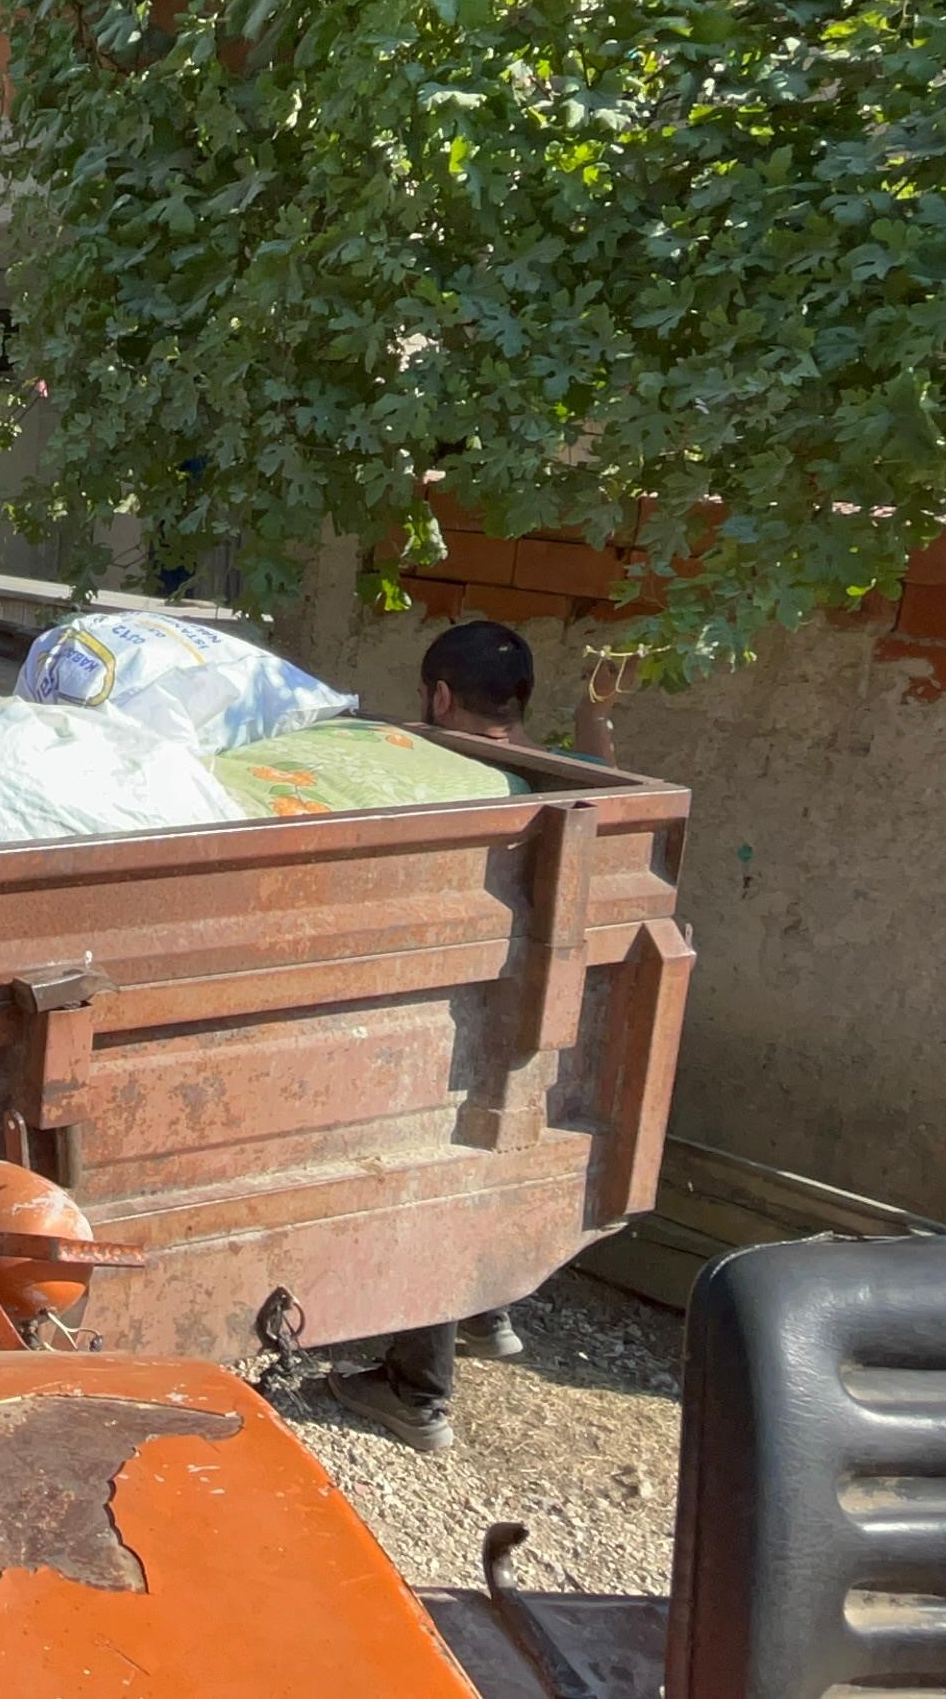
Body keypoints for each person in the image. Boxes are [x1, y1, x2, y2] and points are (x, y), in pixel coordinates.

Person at [325, 619, 617, 1453]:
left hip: (454, 1007)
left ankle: (416, 1393)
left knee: (433, 1170)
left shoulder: (432, 777)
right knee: (495, 1149)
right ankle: (489, 1314)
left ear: (440, 697)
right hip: (550, 1007)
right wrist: (598, 714)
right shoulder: (562, 783)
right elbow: (604, 773)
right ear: (521, 702)